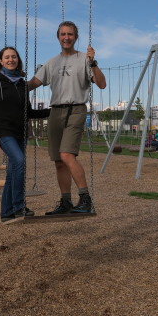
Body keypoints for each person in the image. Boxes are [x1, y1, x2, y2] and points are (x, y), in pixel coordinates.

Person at [27, 21, 106, 215]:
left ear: (75, 37)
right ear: (58, 37)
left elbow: (101, 84)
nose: (66, 37)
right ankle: (66, 202)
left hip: (76, 109)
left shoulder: (84, 59)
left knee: (67, 155)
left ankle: (86, 199)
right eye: (63, 34)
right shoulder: (51, 62)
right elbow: (33, 83)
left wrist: (93, 62)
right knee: (58, 161)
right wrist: (8, 84)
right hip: (55, 111)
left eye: (70, 34)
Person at [0, 46, 51, 224]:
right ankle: (19, 206)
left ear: (18, 61)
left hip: (20, 132)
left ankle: (6, 213)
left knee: (13, 172)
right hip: (3, 132)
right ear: (0, 61)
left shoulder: (21, 84)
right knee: (19, 161)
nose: (11, 60)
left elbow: (28, 112)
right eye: (7, 57)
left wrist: (52, 111)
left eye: (14, 57)